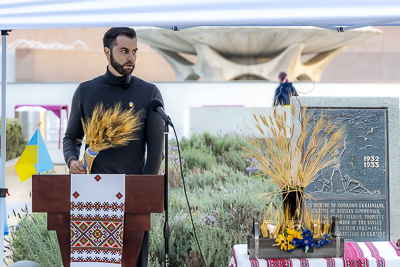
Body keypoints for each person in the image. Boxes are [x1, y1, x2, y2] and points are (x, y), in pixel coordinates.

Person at [63, 27, 164, 267]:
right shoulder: (86, 91)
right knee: (94, 262)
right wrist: (72, 160)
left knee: (133, 262)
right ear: (107, 53)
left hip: (132, 195)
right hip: (91, 196)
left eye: (135, 51)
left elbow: (155, 151)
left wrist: (143, 193)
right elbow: (71, 138)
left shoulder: (149, 93)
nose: (131, 57)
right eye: (124, 51)